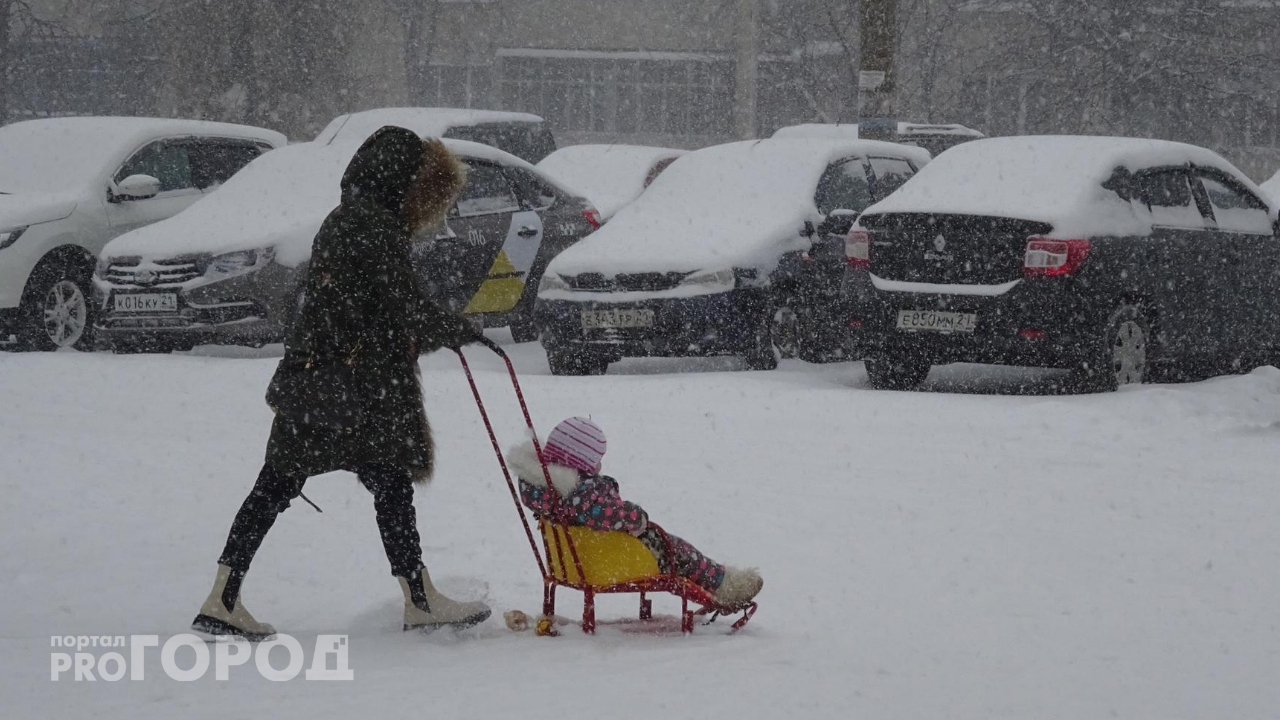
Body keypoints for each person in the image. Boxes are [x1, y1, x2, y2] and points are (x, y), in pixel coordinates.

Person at [193, 127, 490, 640]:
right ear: (404, 182)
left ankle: (223, 595)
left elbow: (364, 304)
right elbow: (403, 307)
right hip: (355, 387)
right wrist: (458, 328)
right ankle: (418, 600)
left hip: (323, 380)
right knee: (374, 485)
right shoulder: (373, 226)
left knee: (296, 485)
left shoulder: (347, 218)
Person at [506, 417, 763, 607]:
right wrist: (636, 516)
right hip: (609, 558)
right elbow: (609, 513)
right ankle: (722, 584)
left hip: (580, 558)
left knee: (671, 547)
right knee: (675, 550)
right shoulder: (583, 494)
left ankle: (718, 583)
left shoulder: (542, 489)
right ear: (582, 462)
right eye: (596, 459)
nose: (600, 464)